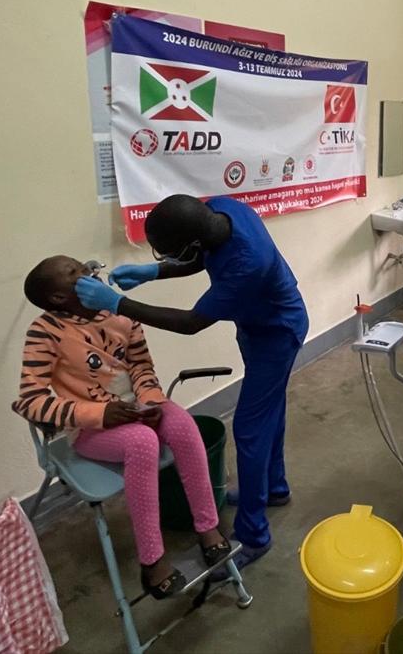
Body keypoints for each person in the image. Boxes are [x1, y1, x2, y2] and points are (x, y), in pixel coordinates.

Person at [74, 194, 308, 573]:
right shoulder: (222, 210)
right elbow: (201, 257)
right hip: (256, 325)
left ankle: (254, 535)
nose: (164, 257)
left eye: (167, 253)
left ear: (192, 240)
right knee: (268, 412)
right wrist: (154, 272)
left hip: (277, 333)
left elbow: (190, 323)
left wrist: (117, 303)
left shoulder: (249, 262)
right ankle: (274, 488)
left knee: (250, 429)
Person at [13, 255, 230, 599]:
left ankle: (207, 526)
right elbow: (30, 401)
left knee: (184, 426)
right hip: (90, 428)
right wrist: (100, 414)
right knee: (143, 442)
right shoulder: (45, 332)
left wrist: (152, 400)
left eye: (85, 266)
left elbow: (141, 365)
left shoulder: (120, 313)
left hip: (138, 408)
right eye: (75, 272)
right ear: (58, 297)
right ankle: (152, 561)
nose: (89, 271)